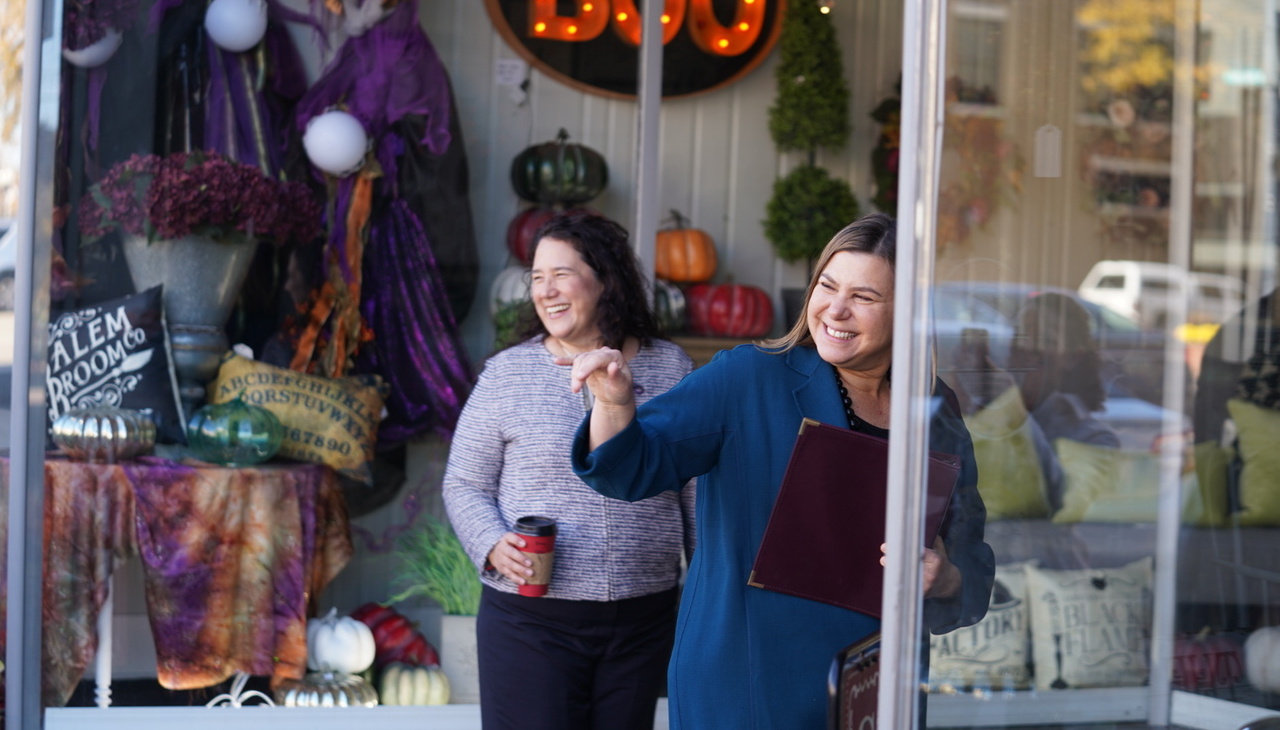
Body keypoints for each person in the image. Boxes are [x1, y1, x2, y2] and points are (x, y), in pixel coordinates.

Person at [563, 212, 995, 728]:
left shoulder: (933, 406)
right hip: (749, 688)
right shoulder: (748, 377)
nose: (835, 309)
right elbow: (627, 470)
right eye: (826, 286)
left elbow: (971, 557)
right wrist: (614, 405)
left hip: (875, 692)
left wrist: (945, 579)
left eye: (864, 297)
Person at [442, 210, 696, 730]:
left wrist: (705, 586)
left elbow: (695, 490)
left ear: (606, 279)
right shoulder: (508, 374)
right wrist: (490, 541)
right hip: (530, 624)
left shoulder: (670, 369)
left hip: (643, 620)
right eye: (537, 277)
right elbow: (464, 482)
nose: (546, 290)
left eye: (562, 273)